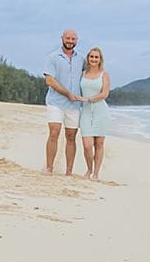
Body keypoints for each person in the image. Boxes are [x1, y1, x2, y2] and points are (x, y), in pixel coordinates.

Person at [43, 28, 83, 175]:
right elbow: (49, 80)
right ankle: (49, 168)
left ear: (77, 40)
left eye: (73, 39)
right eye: (68, 38)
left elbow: (89, 76)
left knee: (71, 137)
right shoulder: (53, 57)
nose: (70, 42)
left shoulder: (81, 59)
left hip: (74, 105)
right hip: (56, 102)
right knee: (54, 133)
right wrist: (67, 93)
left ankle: (69, 171)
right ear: (62, 38)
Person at [77, 47, 111, 180]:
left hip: (101, 112)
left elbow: (104, 94)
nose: (94, 59)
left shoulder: (104, 75)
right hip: (85, 112)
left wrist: (89, 99)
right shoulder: (83, 74)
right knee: (87, 145)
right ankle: (89, 169)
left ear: (100, 59)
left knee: (99, 144)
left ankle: (96, 173)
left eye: (96, 57)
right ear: (88, 58)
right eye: (91, 56)